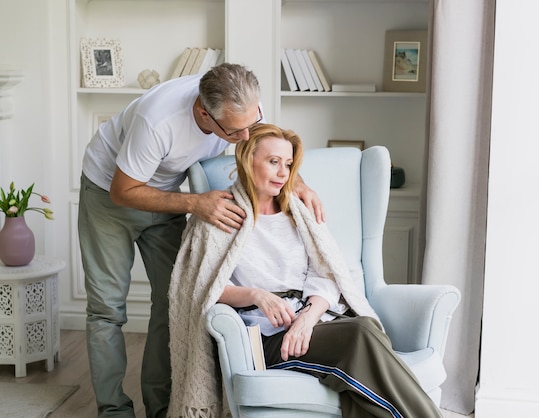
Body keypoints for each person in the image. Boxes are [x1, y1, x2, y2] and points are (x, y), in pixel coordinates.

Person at [78, 63, 322, 418]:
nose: (245, 136)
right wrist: (194, 203)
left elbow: (267, 147)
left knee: (172, 303)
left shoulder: (242, 109)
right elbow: (123, 190)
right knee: (107, 310)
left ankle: (163, 408)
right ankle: (114, 411)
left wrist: (294, 181)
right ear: (203, 114)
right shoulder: (157, 121)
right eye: (236, 131)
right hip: (109, 192)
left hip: (164, 193)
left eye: (251, 123)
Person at [167, 123, 443, 418]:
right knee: (362, 331)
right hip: (269, 338)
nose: (284, 173)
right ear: (248, 159)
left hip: (315, 322)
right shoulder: (217, 216)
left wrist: (308, 319)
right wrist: (258, 295)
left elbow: (325, 274)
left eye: (287, 164)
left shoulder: (298, 211)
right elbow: (200, 288)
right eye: (273, 162)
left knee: (365, 342)